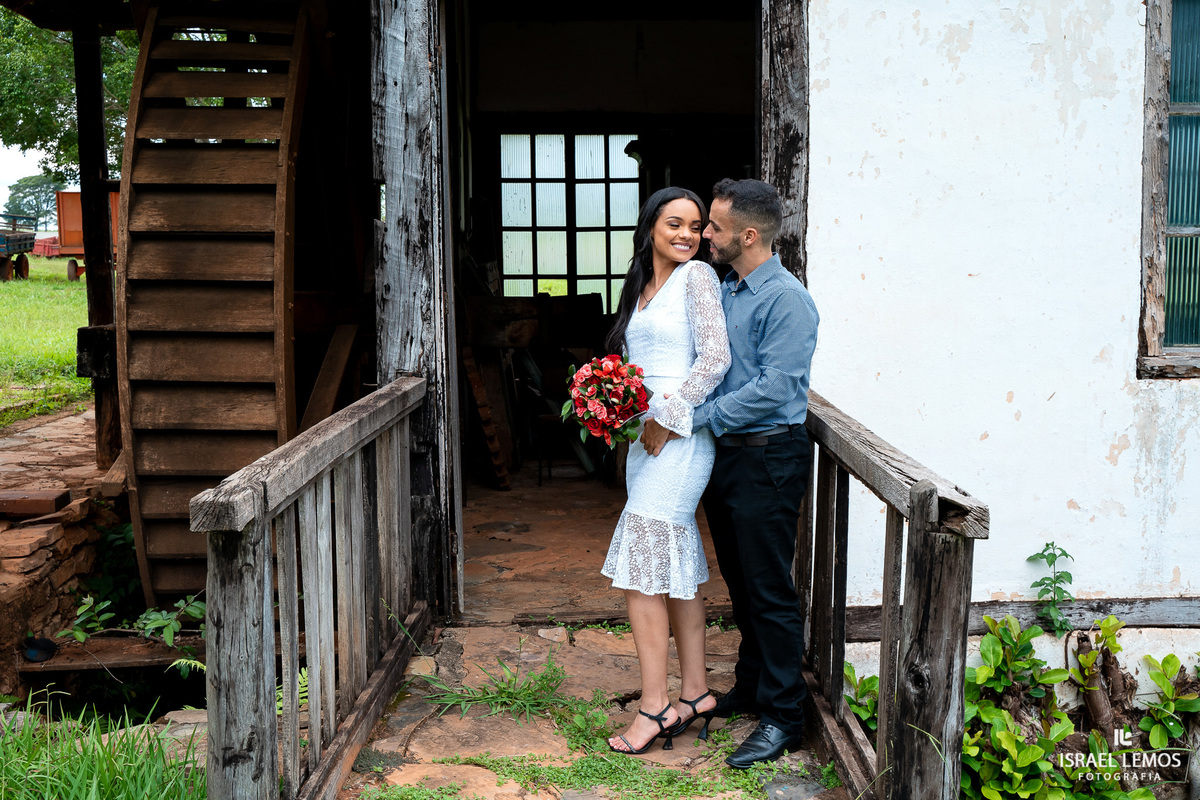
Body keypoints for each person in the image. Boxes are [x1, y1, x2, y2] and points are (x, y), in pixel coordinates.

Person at [641, 178, 819, 769]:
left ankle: (785, 717)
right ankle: (752, 685)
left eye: (712, 226)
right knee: (742, 584)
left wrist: (692, 417)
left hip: (769, 455)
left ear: (746, 235)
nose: (704, 235)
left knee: (768, 590)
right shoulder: (729, 288)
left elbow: (777, 388)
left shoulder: (786, 299)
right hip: (729, 455)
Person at [600, 187, 731, 754]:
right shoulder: (638, 286)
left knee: (642, 568)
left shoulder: (698, 277)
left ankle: (654, 707)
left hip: (680, 437)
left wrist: (669, 419)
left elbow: (715, 359)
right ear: (651, 226)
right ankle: (696, 693)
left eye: (696, 226)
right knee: (669, 563)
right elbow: (637, 367)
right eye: (675, 223)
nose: (687, 235)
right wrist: (613, 407)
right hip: (644, 440)